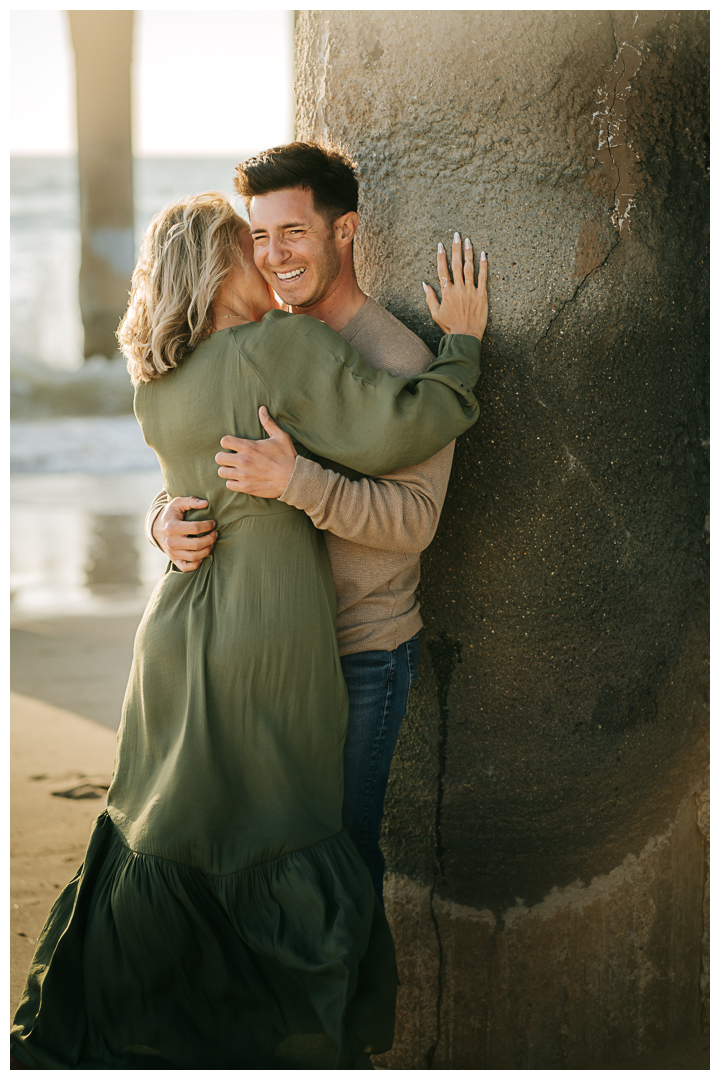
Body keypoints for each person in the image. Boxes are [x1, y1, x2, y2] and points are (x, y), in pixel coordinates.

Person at [10, 191, 487, 1070]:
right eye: (248, 246)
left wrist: (162, 521)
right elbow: (402, 427)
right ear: (218, 266)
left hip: (174, 640)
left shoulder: (158, 382)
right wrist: (462, 349)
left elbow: (192, 487)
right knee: (284, 850)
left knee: (172, 842)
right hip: (268, 646)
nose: (268, 261)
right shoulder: (284, 347)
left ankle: (155, 1043)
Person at [147, 141, 489, 903]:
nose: (273, 256)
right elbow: (196, 465)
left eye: (293, 232)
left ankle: (345, 1020)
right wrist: (163, 519)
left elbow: (412, 525)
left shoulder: (398, 361)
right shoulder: (249, 348)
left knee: (333, 868)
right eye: (258, 237)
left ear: (345, 232)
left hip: (358, 652)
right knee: (254, 876)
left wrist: (298, 480)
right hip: (257, 659)